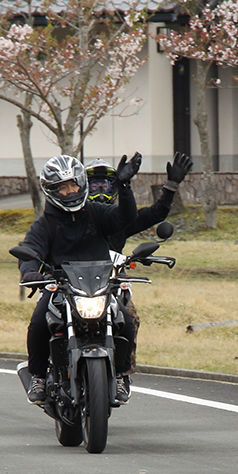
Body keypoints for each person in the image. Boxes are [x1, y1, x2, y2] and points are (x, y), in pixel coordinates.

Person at [16, 153, 140, 405]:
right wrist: (30, 272)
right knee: (39, 322)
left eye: (73, 184)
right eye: (62, 187)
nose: (70, 191)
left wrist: (125, 187)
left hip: (100, 286)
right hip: (60, 288)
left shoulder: (97, 213)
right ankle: (38, 376)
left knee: (126, 322)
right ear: (51, 191)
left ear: (82, 183)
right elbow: (30, 250)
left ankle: (120, 375)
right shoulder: (45, 224)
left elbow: (125, 218)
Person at [84, 152, 193, 386]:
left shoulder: (118, 219)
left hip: (110, 281)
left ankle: (122, 374)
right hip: (74, 282)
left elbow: (156, 213)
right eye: (94, 185)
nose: (100, 191)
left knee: (130, 318)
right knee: (47, 315)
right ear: (84, 187)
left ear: (114, 188)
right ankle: (43, 372)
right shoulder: (72, 217)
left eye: (106, 185)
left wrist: (171, 186)